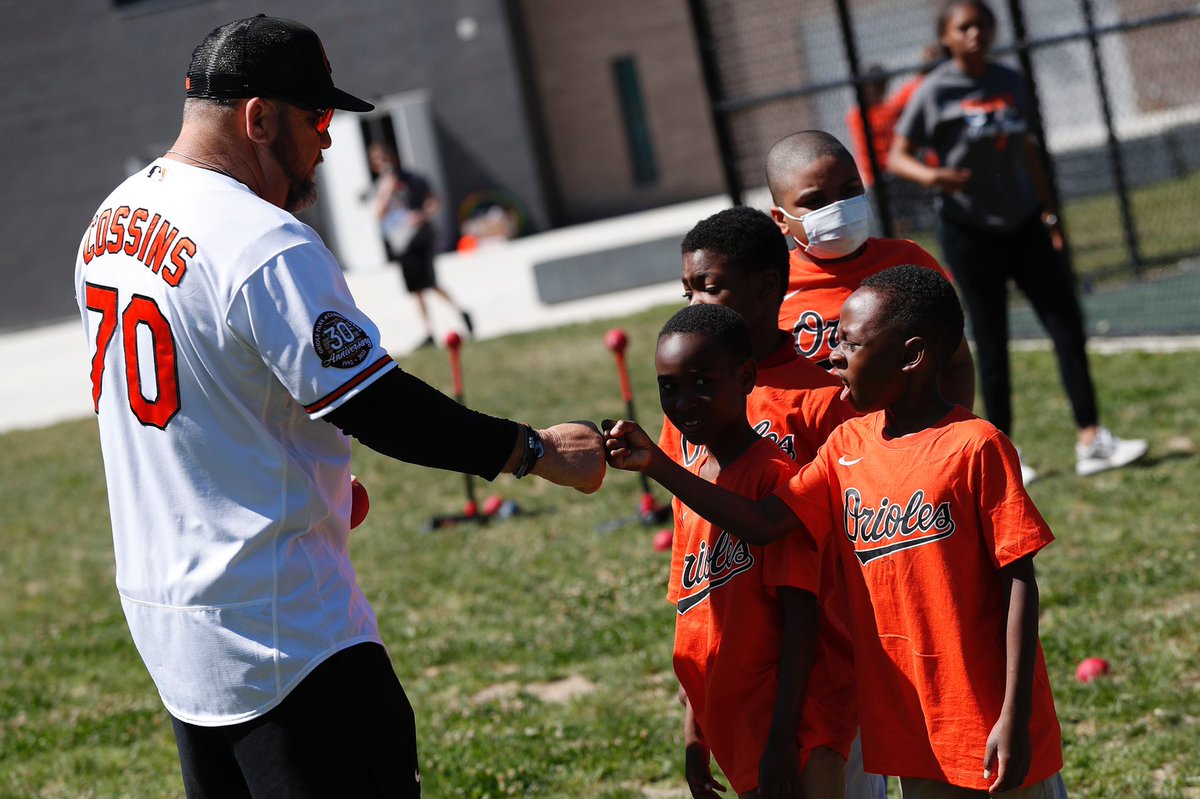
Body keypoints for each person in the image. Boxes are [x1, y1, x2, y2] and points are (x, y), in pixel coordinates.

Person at [73, 16, 605, 798]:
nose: (326, 143)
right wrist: (534, 451)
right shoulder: (264, 240)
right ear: (259, 118)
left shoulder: (106, 224)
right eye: (316, 119)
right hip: (285, 629)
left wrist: (301, 476)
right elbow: (380, 405)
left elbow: (199, 407)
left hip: (172, 618)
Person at [604, 266, 1068, 797]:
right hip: (909, 722)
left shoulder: (975, 446)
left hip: (989, 720)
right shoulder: (846, 445)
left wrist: (1015, 712)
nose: (832, 356)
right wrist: (660, 467)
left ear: (911, 356)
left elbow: (1020, 581)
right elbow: (763, 524)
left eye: (849, 342)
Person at [887, 0, 1146, 480]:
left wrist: (1049, 213)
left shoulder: (1009, 82)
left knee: (1066, 325)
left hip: (1025, 223)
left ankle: (1092, 438)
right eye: (964, 27)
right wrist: (935, 176)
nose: (975, 34)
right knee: (992, 339)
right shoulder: (934, 91)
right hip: (970, 231)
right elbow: (898, 156)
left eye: (982, 25)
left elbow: (1028, 150)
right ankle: (1006, 454)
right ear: (946, 36)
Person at [667, 206, 873, 799]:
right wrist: (695, 706)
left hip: (820, 664)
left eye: (709, 288)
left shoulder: (825, 399)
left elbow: (835, 535)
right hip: (735, 661)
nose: (694, 304)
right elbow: (691, 538)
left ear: (765, 287)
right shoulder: (686, 402)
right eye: (687, 290)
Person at [653, 302, 847, 799]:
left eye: (702, 382)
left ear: (744, 378)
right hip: (736, 726)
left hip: (792, 727)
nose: (684, 402)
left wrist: (783, 741)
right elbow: (695, 613)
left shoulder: (772, 475)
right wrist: (696, 735)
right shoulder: (695, 485)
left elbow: (801, 613)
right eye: (669, 387)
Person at [765, 130, 976, 416]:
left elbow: (955, 363)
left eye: (850, 189)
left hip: (903, 447)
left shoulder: (908, 260)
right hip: (820, 455)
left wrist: (949, 439)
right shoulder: (769, 288)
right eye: (815, 200)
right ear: (781, 219)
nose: (837, 208)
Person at [368, 141, 472, 348]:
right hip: (401, 242)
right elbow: (378, 213)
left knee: (430, 283)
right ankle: (428, 331)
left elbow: (433, 201)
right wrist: (387, 189)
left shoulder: (413, 179)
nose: (383, 163)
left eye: (385, 158)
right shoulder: (380, 187)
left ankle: (461, 312)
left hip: (421, 237)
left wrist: (422, 215)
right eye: (378, 160)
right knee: (416, 289)